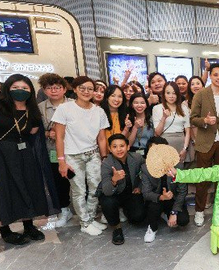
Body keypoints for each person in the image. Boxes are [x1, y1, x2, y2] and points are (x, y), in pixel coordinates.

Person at [0, 73, 59, 244]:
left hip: (24, 155)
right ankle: (5, 231)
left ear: (30, 91)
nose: (20, 90)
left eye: (25, 88)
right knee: (0, 191)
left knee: (28, 188)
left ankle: (29, 226)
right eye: (16, 87)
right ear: (7, 89)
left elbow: (33, 133)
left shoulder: (32, 109)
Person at [53, 76, 110, 236]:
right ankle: (84, 222)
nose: (86, 91)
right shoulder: (64, 109)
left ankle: (90, 218)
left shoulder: (99, 111)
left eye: (90, 89)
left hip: (93, 154)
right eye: (82, 88)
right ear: (75, 89)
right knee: (79, 190)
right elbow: (59, 137)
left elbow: (102, 138)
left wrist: (104, 157)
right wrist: (61, 161)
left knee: (95, 188)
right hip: (72, 156)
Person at [190, 63, 219, 226]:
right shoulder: (201, 94)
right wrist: (205, 121)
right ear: (210, 76)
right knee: (203, 179)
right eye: (215, 75)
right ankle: (199, 211)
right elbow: (193, 118)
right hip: (205, 142)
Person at [97, 134, 147, 245]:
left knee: (138, 218)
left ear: (128, 147)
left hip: (130, 193)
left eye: (122, 146)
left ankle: (123, 211)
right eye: (114, 147)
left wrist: (140, 187)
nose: (119, 149)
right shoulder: (107, 163)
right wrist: (114, 180)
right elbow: (107, 191)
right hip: (112, 194)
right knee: (108, 202)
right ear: (110, 149)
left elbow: (146, 173)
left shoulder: (137, 158)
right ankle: (116, 227)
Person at [37, 73, 73, 227]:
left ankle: (84, 209)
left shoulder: (74, 104)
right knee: (59, 182)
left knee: (79, 180)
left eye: (57, 87)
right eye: (49, 88)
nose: (54, 91)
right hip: (52, 150)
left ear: (64, 89)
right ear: (44, 90)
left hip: (74, 149)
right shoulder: (40, 108)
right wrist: (48, 133)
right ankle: (64, 210)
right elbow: (36, 130)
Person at [140, 137, 190, 242]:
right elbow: (146, 193)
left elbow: (182, 191)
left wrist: (174, 212)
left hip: (173, 199)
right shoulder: (145, 168)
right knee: (153, 207)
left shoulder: (178, 166)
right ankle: (152, 228)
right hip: (156, 200)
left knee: (183, 220)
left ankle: (167, 214)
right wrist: (161, 197)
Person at [152, 81, 190, 159]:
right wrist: (164, 117)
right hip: (164, 143)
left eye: (174, 93)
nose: (171, 96)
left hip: (180, 143)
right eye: (168, 93)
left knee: (180, 166)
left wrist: (185, 148)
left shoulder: (183, 108)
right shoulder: (157, 108)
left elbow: (188, 131)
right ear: (164, 94)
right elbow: (157, 133)